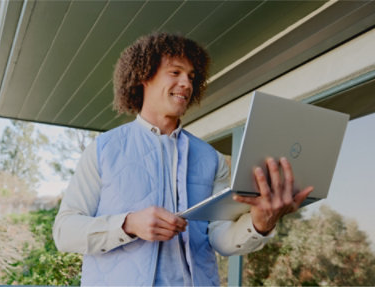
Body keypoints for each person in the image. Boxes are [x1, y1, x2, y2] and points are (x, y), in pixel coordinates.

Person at [53, 32, 313, 286]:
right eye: (175, 72)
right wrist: (129, 224)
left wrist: (260, 223)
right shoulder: (103, 149)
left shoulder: (211, 158)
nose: (187, 84)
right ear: (144, 76)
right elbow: (64, 231)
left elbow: (219, 238)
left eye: (191, 76)